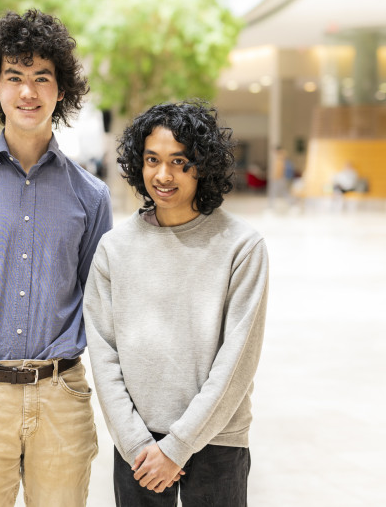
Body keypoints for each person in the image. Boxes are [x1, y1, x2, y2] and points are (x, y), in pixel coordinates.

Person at [0, 9, 112, 507]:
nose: (28, 92)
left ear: (62, 91)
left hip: (62, 396)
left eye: (41, 79)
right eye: (15, 78)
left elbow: (94, 298)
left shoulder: (91, 196)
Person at [84, 101, 269, 506]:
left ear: (202, 166)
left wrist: (178, 446)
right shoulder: (114, 248)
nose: (163, 175)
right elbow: (103, 352)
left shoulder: (241, 245)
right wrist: (135, 442)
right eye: (152, 160)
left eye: (179, 162)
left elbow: (237, 360)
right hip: (138, 444)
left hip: (218, 441)